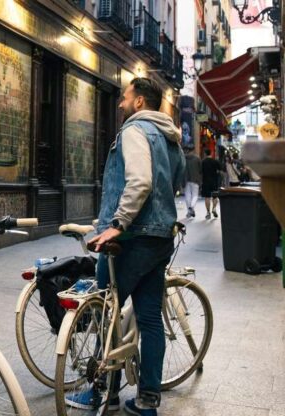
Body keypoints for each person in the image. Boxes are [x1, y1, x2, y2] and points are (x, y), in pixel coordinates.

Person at [69, 78, 184, 416]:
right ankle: (147, 400)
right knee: (149, 318)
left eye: (124, 97)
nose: (120, 103)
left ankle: (104, 394)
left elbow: (140, 181)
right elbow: (171, 184)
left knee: (107, 314)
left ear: (139, 103)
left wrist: (117, 224)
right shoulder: (171, 138)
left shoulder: (135, 131)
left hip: (130, 241)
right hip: (161, 236)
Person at [200, 148, 223, 219]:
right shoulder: (215, 161)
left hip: (206, 181)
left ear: (205, 154)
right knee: (215, 196)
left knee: (207, 197)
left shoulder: (203, 162)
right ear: (211, 153)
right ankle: (214, 209)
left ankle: (208, 212)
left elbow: (200, 172)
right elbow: (221, 171)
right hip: (214, 181)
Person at [183, 147, 201, 218]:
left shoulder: (184, 158)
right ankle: (192, 207)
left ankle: (189, 212)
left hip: (186, 179)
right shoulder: (197, 158)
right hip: (195, 179)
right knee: (195, 195)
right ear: (193, 150)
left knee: (187, 195)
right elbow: (200, 169)